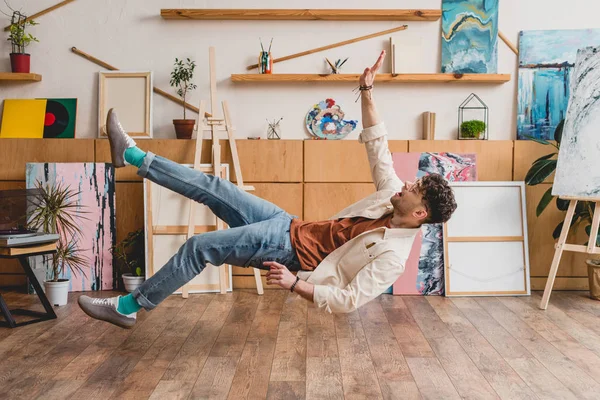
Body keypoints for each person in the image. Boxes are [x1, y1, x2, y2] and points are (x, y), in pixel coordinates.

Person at [78, 51, 457, 329]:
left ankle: (129, 306)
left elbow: (349, 301)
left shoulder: (394, 257)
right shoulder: (389, 198)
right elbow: (378, 145)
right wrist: (366, 90)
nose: (406, 184)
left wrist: (295, 285)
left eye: (415, 188)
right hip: (286, 223)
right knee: (213, 186)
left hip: (288, 249)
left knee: (200, 247)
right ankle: (130, 154)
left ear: (421, 213)